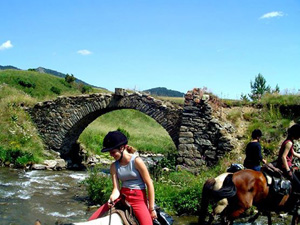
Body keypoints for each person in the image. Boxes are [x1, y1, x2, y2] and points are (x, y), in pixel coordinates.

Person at [88, 130, 157, 224]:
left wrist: (151, 208)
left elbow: (149, 184)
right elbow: (116, 189)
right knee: (92, 219)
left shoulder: (137, 161)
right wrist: (111, 198)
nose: (111, 155)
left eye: (113, 152)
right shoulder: (113, 166)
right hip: (122, 197)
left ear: (121, 148)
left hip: (138, 200)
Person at [277, 123, 300, 193]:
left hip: (286, 165)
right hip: (285, 166)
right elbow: (283, 157)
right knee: (298, 185)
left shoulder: (289, 141)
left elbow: (293, 153)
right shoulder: (289, 143)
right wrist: (288, 170)